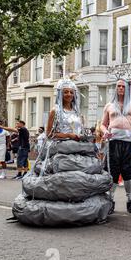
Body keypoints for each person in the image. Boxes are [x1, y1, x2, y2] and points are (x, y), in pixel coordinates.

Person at [11, 78, 113, 226]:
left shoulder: (78, 112)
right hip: (61, 148)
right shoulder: (55, 111)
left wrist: (87, 139)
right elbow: (49, 134)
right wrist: (68, 136)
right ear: (60, 93)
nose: (69, 94)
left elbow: (81, 131)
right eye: (65, 92)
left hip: (78, 149)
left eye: (71, 92)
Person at [101, 79, 131, 214]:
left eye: (123, 86)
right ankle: (110, 201)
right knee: (112, 171)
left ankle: (130, 201)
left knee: (128, 171)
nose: (120, 88)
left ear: (127, 88)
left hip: (129, 142)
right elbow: (102, 124)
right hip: (113, 142)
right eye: (118, 86)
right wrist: (105, 131)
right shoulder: (109, 106)